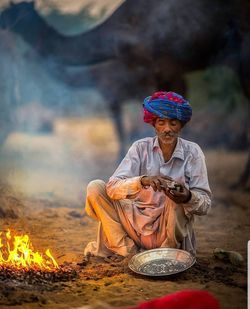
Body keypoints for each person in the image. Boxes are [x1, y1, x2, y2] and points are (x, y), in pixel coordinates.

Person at [84, 91, 211, 258]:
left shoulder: (193, 152)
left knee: (176, 198)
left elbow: (205, 204)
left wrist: (187, 196)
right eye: (161, 123)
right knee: (95, 187)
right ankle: (129, 251)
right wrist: (143, 181)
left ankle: (164, 257)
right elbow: (112, 188)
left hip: (168, 234)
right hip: (134, 227)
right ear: (154, 125)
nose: (167, 129)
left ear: (181, 125)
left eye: (173, 123)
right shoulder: (140, 148)